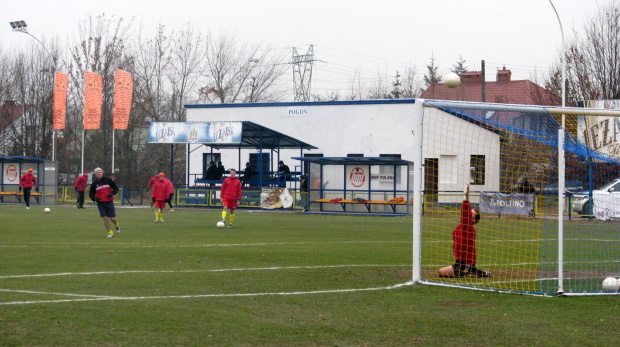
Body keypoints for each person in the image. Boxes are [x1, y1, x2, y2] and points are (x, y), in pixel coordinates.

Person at [438, 184, 490, 278]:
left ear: (473, 220)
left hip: (464, 263)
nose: (469, 213)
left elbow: (465, 214)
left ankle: (470, 270)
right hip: (461, 260)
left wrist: (465, 198)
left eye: (472, 213)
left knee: (441, 272)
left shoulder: (468, 227)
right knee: (441, 272)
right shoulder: (462, 226)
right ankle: (476, 271)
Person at [89, 167, 120, 238]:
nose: (99, 174)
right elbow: (91, 195)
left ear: (102, 173)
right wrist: (95, 198)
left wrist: (112, 193)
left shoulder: (108, 180)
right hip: (100, 203)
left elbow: (116, 188)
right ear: (95, 174)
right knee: (105, 218)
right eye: (97, 173)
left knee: (112, 218)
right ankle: (110, 232)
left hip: (109, 202)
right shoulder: (94, 184)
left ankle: (116, 224)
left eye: (100, 172)